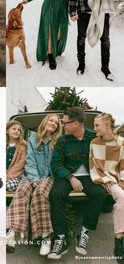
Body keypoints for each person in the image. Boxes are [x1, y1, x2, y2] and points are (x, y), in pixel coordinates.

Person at [48, 107, 107, 260]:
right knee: (55, 194)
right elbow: (55, 164)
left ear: (76, 123)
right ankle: (60, 239)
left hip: (90, 177)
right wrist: (70, 177)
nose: (63, 125)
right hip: (67, 175)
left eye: (65, 122)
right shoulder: (62, 140)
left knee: (100, 194)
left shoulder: (94, 138)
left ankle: (84, 231)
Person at [6, 114, 62, 256]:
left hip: (48, 176)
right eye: (51, 120)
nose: (54, 123)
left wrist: (40, 181)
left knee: (40, 193)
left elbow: (56, 164)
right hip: (30, 175)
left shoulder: (58, 141)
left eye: (56, 122)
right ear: (45, 122)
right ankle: (11, 233)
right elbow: (29, 162)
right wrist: (34, 179)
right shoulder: (32, 140)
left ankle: (45, 237)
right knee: (21, 192)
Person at [90, 113, 124, 263]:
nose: (94, 128)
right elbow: (95, 168)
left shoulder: (121, 142)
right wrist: (108, 180)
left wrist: (122, 181)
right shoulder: (94, 143)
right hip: (107, 180)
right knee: (122, 198)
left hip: (119, 179)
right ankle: (119, 239)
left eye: (97, 125)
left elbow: (123, 165)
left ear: (107, 126)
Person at [6, 120, 27, 191]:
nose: (16, 131)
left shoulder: (22, 146)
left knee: (8, 186)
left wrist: (8, 175)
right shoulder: (3, 144)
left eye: (19, 130)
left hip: (16, 174)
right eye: (14, 129)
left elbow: (21, 162)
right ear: (7, 131)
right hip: (3, 173)